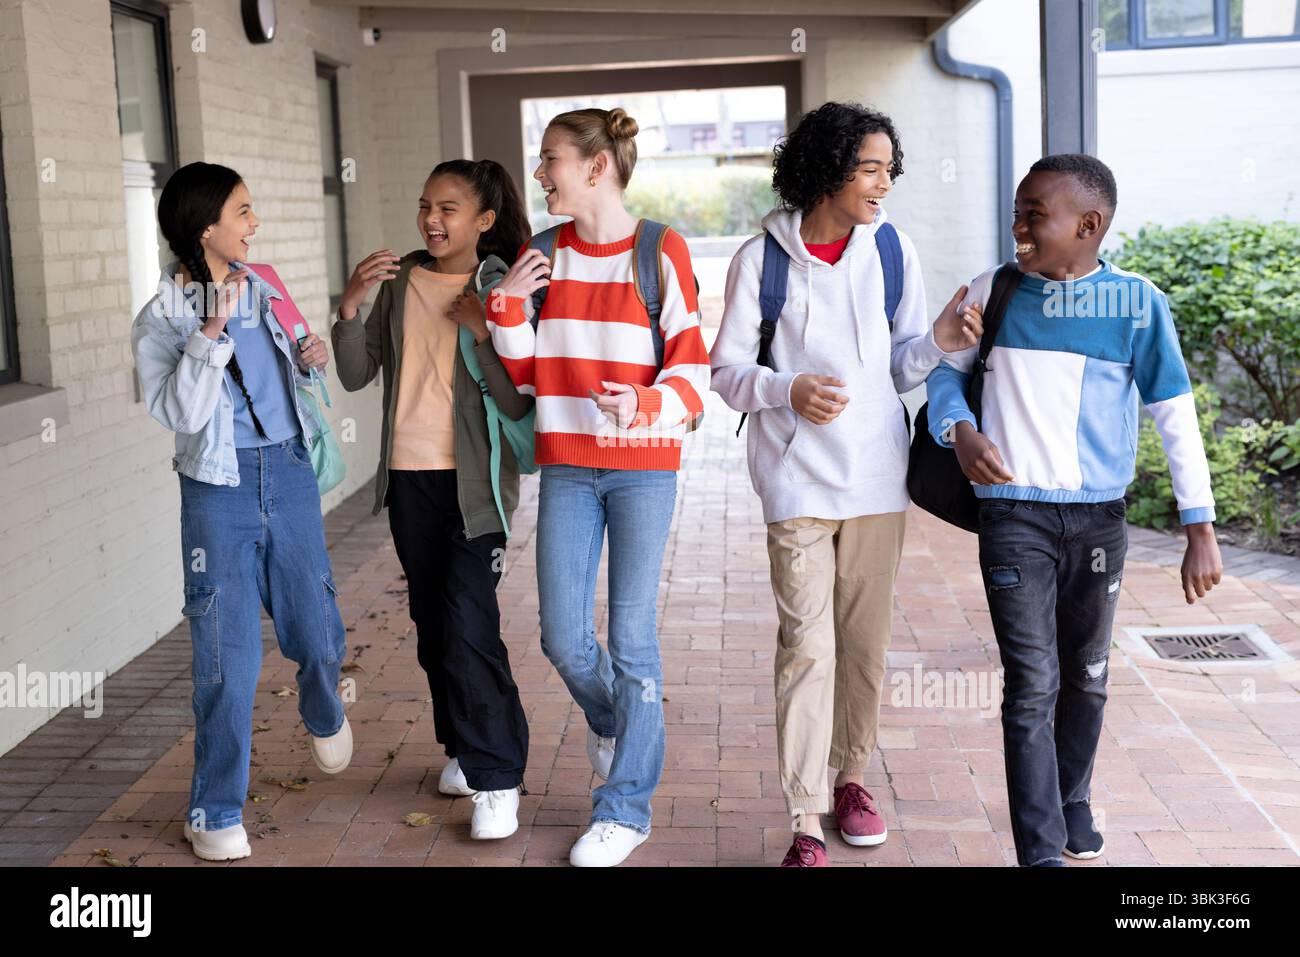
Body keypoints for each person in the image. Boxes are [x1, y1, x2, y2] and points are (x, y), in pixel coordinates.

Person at [924, 153, 1223, 866]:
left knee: (1087, 674)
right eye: (1018, 209)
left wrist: (1200, 528)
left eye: (1036, 213)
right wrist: (959, 431)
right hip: (1012, 517)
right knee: (1033, 682)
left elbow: (1173, 415)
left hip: (1097, 520)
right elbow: (945, 375)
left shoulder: (1136, 304)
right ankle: (1041, 849)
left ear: (1088, 225)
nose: (1019, 225)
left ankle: (1073, 798)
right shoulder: (992, 289)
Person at [710, 102, 981, 867]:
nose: (884, 182)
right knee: (806, 646)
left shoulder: (893, 249)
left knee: (863, 645)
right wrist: (785, 390)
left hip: (876, 481)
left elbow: (900, 365)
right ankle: (803, 815)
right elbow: (726, 374)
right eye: (871, 166)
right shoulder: (758, 261)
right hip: (796, 482)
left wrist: (940, 343)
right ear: (828, 168)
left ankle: (852, 777)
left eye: (890, 167)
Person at [486, 107, 710, 866]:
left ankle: (625, 808)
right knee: (560, 633)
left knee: (633, 636)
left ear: (595, 167)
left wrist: (644, 403)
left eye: (549, 158)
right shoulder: (542, 252)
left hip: (644, 462)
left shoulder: (660, 250)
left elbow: (691, 364)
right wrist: (508, 304)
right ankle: (616, 719)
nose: (539, 172)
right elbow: (522, 377)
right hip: (569, 464)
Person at [130, 162, 351, 862]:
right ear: (207, 230)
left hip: (286, 472)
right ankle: (214, 809)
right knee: (228, 658)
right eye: (244, 211)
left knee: (314, 628)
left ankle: (323, 704)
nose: (255, 224)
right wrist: (213, 328)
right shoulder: (161, 317)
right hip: (216, 489)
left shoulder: (270, 284)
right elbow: (180, 411)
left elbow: (299, 370)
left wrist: (311, 356)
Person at [331, 159, 533, 840]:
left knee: (469, 621)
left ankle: (497, 773)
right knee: (432, 622)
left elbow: (515, 398)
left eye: (449, 208)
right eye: (425, 206)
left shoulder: (502, 284)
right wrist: (351, 304)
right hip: (409, 478)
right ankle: (462, 747)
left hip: (476, 487)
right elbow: (357, 374)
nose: (432, 220)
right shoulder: (402, 280)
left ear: (483, 219)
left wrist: (484, 329)